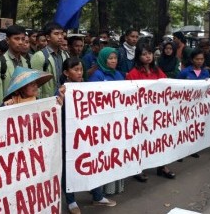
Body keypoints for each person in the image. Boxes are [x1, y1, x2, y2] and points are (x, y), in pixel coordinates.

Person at [59, 57, 117, 213]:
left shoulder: (87, 88)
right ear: (66, 72)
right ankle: (71, 201)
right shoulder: (61, 91)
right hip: (69, 138)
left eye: (81, 69)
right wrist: (61, 100)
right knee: (68, 168)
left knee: (93, 163)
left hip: (88, 136)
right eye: (75, 70)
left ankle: (98, 196)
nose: (79, 73)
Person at [126, 43, 175, 180]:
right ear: (138, 56)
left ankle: (162, 166)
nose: (147, 56)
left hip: (157, 114)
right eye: (144, 54)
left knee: (160, 139)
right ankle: (138, 169)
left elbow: (168, 86)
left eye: (149, 53)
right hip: (141, 114)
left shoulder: (157, 71)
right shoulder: (133, 74)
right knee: (140, 141)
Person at [88, 47, 125, 194]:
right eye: (110, 58)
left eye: (115, 58)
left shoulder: (118, 75)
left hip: (116, 122)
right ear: (103, 59)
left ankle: (114, 187)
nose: (113, 61)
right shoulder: (96, 75)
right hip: (102, 123)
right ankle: (98, 190)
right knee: (102, 154)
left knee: (115, 153)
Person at [0, 25, 29, 108]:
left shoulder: (26, 62)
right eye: (16, 39)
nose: (21, 42)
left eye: (23, 39)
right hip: (7, 110)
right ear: (7, 40)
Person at [31, 22, 69, 99]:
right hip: (47, 101)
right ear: (48, 37)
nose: (60, 37)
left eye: (62, 34)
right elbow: (35, 83)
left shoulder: (65, 55)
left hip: (64, 98)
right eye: (56, 34)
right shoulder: (39, 56)